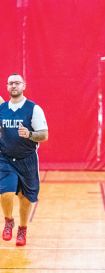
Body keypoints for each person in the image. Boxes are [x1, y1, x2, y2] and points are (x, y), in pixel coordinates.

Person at [0, 73, 48, 246]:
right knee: (5, 192)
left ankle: (22, 229)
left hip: (27, 159)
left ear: (24, 86)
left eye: (17, 83)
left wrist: (30, 134)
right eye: (10, 83)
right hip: (5, 158)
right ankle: (8, 220)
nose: (13, 86)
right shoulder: (2, 109)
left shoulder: (34, 109)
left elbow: (44, 135)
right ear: (6, 87)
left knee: (24, 198)